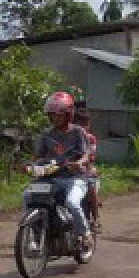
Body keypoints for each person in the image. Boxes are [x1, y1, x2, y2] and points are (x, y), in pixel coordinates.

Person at [31, 91, 92, 252]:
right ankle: (35, 234)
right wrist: (32, 166)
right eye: (52, 115)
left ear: (68, 115)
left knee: (72, 202)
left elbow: (86, 154)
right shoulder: (46, 135)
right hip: (51, 178)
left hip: (75, 178)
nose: (55, 119)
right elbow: (38, 156)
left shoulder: (78, 132)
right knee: (28, 197)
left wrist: (78, 163)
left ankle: (85, 234)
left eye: (59, 115)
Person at [72, 103, 102, 233]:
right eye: (79, 124)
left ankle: (96, 218)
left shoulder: (90, 139)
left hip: (86, 171)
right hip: (68, 171)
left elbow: (90, 156)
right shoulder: (68, 135)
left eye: (85, 124)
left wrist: (82, 165)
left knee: (91, 190)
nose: (83, 127)